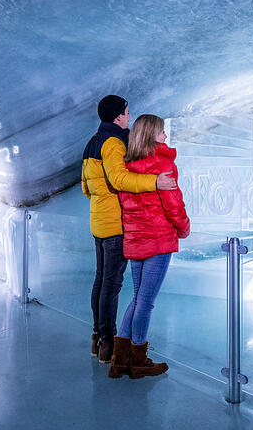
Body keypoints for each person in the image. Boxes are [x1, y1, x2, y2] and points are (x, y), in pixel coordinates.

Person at [81, 95, 176, 363]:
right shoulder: (112, 143)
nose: (129, 117)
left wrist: (101, 202)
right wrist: (154, 182)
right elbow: (119, 178)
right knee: (112, 284)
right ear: (118, 116)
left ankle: (97, 337)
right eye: (126, 112)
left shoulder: (92, 142)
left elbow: (86, 187)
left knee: (101, 281)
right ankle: (108, 344)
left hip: (98, 221)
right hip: (114, 223)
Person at [108, 114, 190, 379]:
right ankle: (138, 360)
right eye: (161, 132)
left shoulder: (126, 167)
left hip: (136, 242)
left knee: (138, 299)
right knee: (146, 303)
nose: (165, 137)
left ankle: (120, 361)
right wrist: (184, 228)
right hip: (158, 240)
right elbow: (173, 204)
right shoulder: (163, 164)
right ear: (151, 135)